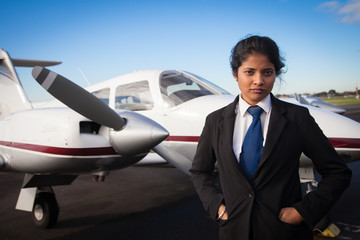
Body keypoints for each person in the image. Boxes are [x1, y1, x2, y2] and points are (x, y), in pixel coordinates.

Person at [190, 35, 352, 240]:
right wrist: (217, 207)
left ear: (276, 73)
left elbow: (338, 172)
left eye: (267, 72)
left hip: (284, 233)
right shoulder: (215, 121)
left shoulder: (297, 118)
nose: (259, 80)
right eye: (249, 72)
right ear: (235, 74)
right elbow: (200, 171)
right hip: (234, 231)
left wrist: (303, 211)